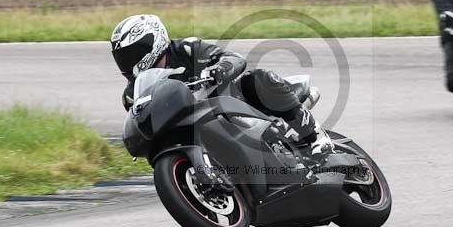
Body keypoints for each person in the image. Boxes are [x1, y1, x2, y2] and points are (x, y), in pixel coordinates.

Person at [110, 14, 332, 158]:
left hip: (229, 103)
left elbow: (233, 58)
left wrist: (220, 68)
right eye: (122, 56)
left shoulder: (188, 50)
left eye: (133, 53)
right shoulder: (132, 95)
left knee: (257, 79)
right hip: (193, 129)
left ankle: (315, 136)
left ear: (154, 41)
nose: (128, 61)